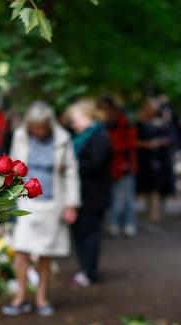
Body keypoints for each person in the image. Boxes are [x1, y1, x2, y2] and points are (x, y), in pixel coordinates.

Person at [4, 101, 80, 316]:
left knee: (46, 253)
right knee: (21, 250)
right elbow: (13, 166)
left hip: (52, 202)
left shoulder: (62, 138)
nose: (39, 131)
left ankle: (41, 297)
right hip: (26, 202)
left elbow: (71, 172)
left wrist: (71, 204)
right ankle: (20, 297)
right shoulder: (20, 135)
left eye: (42, 127)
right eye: (35, 127)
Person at [65, 99, 112, 287]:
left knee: (90, 235)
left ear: (88, 117)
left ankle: (90, 272)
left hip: (94, 197)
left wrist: (71, 166)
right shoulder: (82, 138)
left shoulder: (99, 137)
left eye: (75, 119)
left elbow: (95, 164)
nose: (73, 124)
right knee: (81, 234)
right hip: (82, 195)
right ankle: (85, 269)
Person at [98, 96, 138, 237]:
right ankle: (115, 223)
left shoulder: (125, 122)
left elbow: (131, 143)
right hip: (109, 167)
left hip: (124, 166)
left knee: (127, 198)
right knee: (115, 198)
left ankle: (128, 223)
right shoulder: (103, 125)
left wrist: (111, 147)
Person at [136, 98, 174, 228]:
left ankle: (154, 217)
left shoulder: (159, 123)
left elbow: (170, 137)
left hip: (156, 161)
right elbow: (133, 141)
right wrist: (148, 144)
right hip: (144, 161)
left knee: (155, 190)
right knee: (147, 190)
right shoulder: (139, 123)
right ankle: (150, 216)